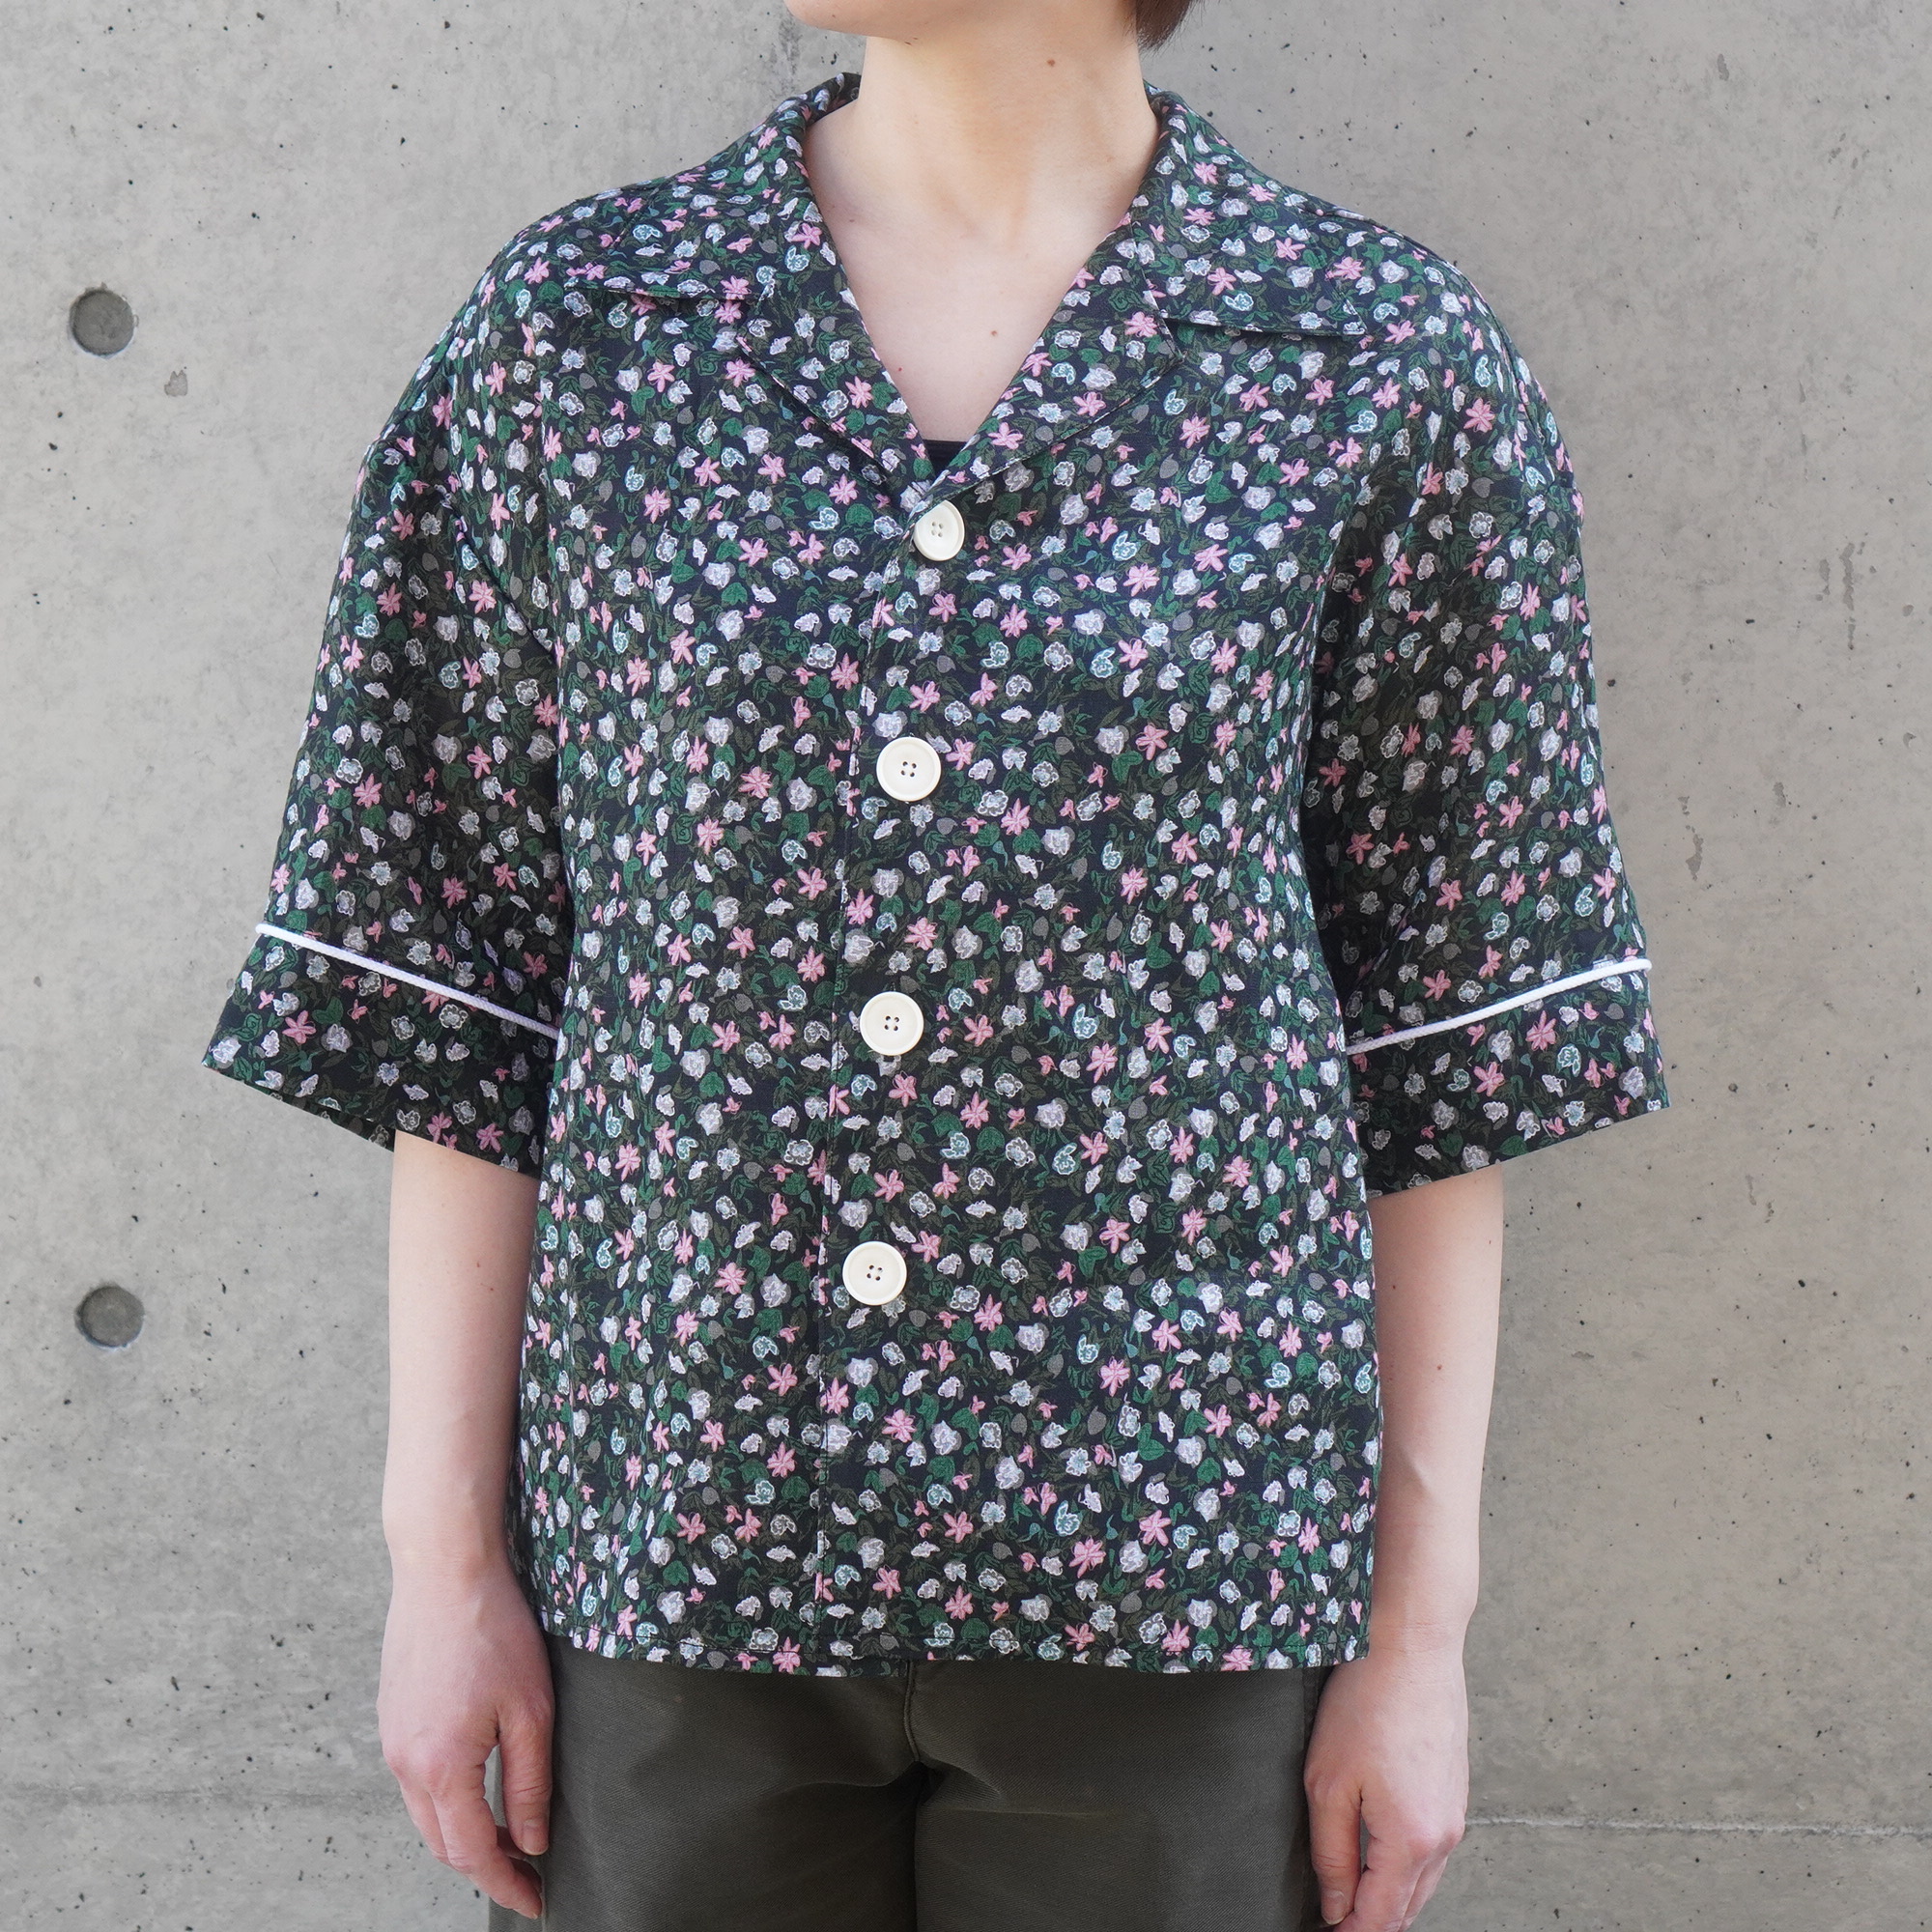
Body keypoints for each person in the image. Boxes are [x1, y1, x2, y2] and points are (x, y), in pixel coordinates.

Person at [200, 1, 1667, 1926]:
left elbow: (1445, 1051)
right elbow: (462, 995)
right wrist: (439, 1565)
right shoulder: (587, 328)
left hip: (1179, 1575)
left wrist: (1421, 1638)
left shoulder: (1372, 353)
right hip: (674, 1554)